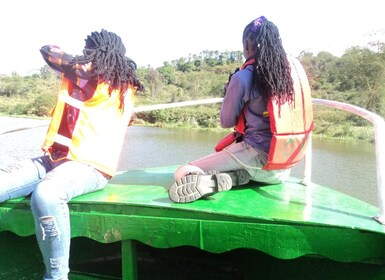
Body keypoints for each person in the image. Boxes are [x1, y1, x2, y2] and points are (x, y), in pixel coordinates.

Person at [0, 29, 143, 279]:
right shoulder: (115, 84)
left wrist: (82, 58)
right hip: (54, 160)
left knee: (47, 195)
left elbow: (49, 51)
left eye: (89, 50)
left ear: (99, 54)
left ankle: (57, 276)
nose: (85, 55)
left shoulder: (88, 73)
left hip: (89, 167)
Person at [168, 16, 314, 203]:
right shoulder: (290, 76)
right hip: (283, 168)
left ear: (247, 44)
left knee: (183, 172)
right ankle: (234, 178)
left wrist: (230, 92)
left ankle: (227, 177)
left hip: (256, 157)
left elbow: (226, 121)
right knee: (239, 163)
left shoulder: (243, 77)